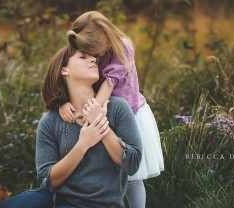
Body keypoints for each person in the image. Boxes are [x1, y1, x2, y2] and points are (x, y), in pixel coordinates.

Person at [0, 45, 143, 208]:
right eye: (82, 57)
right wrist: (82, 144)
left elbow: (132, 164)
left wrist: (100, 124)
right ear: (64, 70)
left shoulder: (117, 108)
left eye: (93, 56)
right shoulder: (50, 121)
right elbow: (48, 180)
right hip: (55, 200)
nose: (93, 59)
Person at [59, 11, 164, 208]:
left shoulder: (123, 46)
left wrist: (89, 116)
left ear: (106, 36)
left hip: (128, 116)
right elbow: (69, 75)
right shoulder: (86, 44)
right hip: (103, 114)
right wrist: (63, 101)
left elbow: (108, 85)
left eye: (95, 52)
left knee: (132, 176)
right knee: (107, 172)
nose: (95, 57)